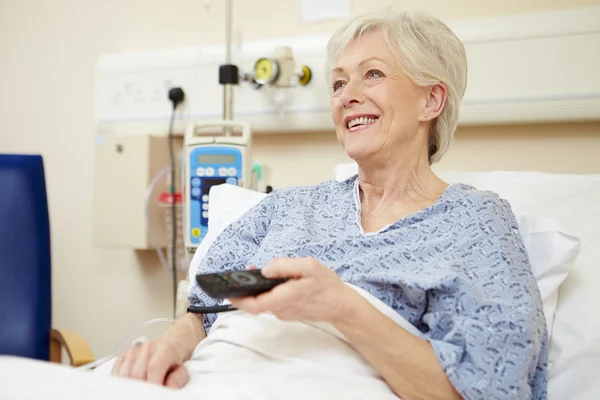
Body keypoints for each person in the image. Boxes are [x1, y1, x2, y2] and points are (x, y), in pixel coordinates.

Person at [112, 8, 548, 399]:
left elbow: (491, 388)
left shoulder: (474, 222)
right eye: (339, 82)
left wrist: (340, 306)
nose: (345, 96)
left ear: (431, 100)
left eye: (372, 74)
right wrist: (165, 352)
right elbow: (206, 308)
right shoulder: (285, 208)